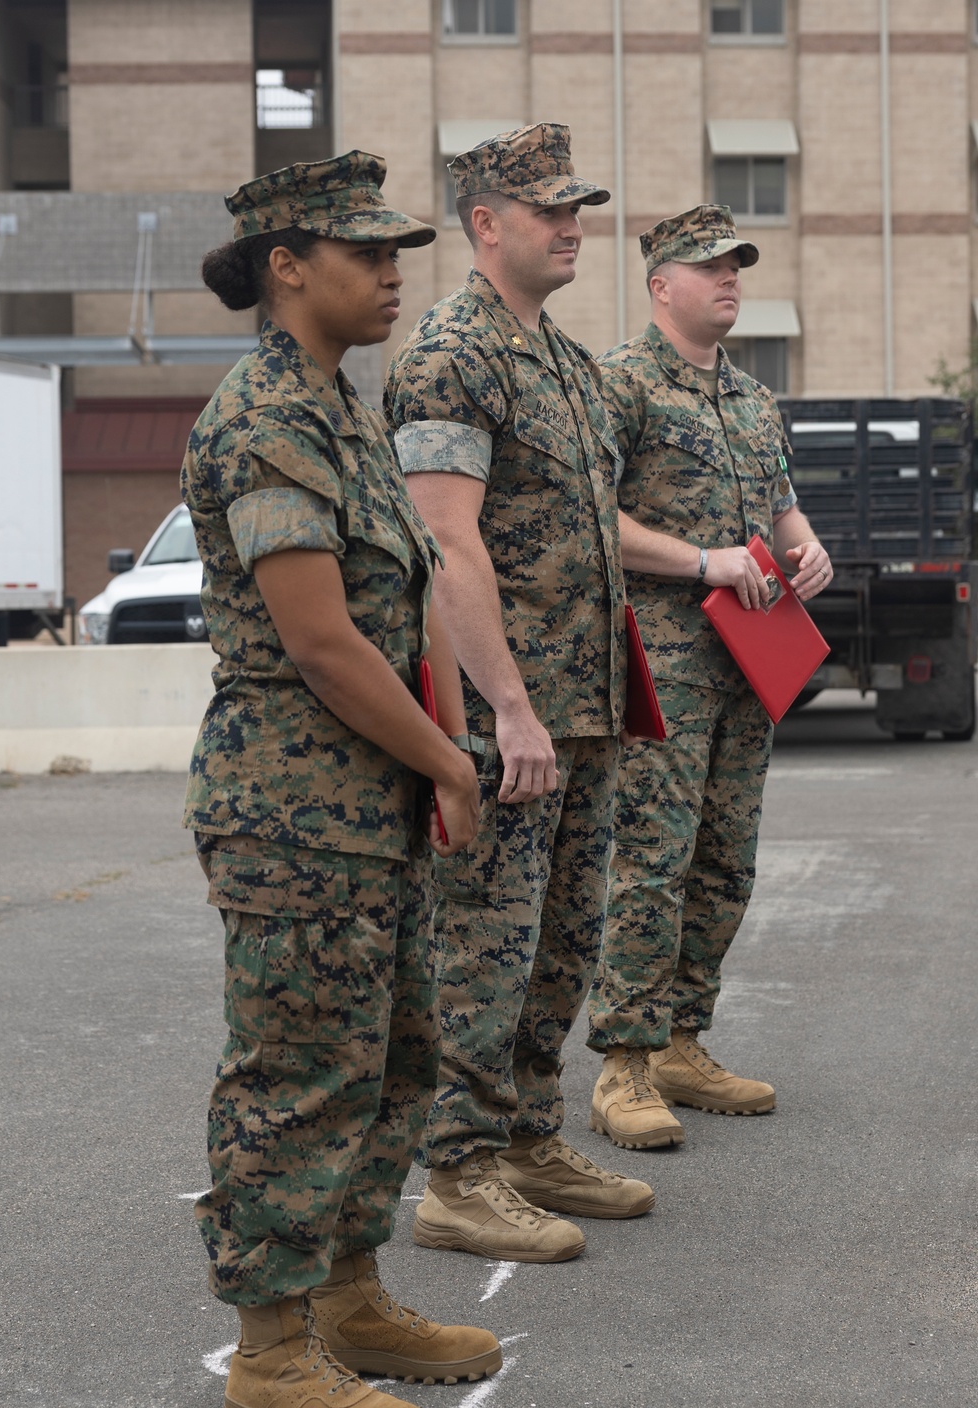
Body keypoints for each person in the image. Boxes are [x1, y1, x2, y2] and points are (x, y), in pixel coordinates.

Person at [183, 152, 501, 1408]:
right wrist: (450, 759)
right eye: (364, 251)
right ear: (286, 266)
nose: (391, 272)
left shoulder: (341, 403)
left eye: (394, 251)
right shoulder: (264, 410)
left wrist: (439, 745)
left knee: (397, 1057)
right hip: (290, 810)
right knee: (302, 1074)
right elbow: (319, 641)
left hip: (365, 805)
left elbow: (406, 595)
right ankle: (270, 1357)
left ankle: (349, 1296)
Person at [384, 123, 654, 1265]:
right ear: (484, 223)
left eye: (576, 204)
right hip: (512, 717)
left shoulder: (569, 364)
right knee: (484, 946)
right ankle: (456, 1171)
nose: (571, 223)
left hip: (582, 710)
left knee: (562, 943)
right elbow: (446, 546)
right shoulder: (454, 353)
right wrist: (506, 706)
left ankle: (531, 1137)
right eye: (547, 208)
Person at [587, 205, 832, 1150]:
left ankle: (685, 1040)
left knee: (726, 859)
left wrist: (804, 553)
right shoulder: (620, 386)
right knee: (652, 856)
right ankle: (625, 1065)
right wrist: (703, 562)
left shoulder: (752, 399)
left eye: (737, 265)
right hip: (663, 661)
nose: (730, 279)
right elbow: (591, 521)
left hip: (750, 657)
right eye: (709, 266)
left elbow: (782, 509)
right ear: (661, 286)